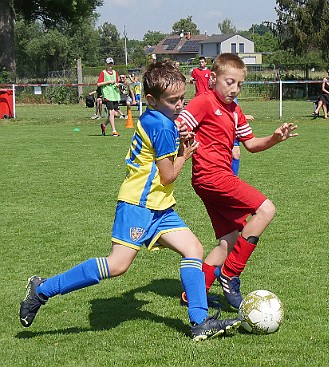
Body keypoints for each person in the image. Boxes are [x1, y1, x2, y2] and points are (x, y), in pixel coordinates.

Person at [19, 60, 241, 341]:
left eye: (183, 98)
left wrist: (179, 139)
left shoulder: (157, 119)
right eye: (173, 100)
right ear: (151, 99)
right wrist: (185, 153)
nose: (180, 105)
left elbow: (163, 157)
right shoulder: (161, 125)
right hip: (138, 205)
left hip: (160, 207)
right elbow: (169, 174)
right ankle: (42, 289)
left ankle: (199, 322)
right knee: (118, 265)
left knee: (194, 250)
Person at [177, 53, 298, 309]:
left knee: (229, 239)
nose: (234, 89)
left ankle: (194, 293)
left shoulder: (235, 111)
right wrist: (182, 133)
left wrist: (275, 138)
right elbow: (178, 124)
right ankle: (231, 274)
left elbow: (251, 144)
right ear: (213, 79)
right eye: (229, 82)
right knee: (266, 209)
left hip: (211, 180)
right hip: (212, 177)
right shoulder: (203, 101)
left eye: (239, 84)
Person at [98, 57, 121, 136]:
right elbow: (99, 84)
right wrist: (108, 82)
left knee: (115, 114)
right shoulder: (103, 73)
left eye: (111, 63)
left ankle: (104, 125)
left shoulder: (115, 73)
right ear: (106, 64)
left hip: (115, 94)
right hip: (107, 95)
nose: (110, 65)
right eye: (109, 63)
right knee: (111, 112)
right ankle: (114, 131)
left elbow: (117, 82)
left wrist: (118, 85)